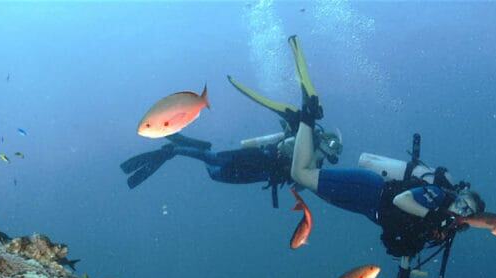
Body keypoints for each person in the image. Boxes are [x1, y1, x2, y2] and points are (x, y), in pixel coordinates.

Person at [286, 35, 485, 278]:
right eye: (464, 204)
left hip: (366, 206)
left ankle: (305, 128)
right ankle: (308, 113)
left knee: (308, 179)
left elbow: (411, 242)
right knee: (301, 174)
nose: (461, 211)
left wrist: (401, 276)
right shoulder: (439, 197)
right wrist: (431, 217)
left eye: (467, 213)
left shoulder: (442, 226)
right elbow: (404, 200)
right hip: (370, 190)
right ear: (460, 197)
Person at [120, 76, 342, 209]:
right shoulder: (310, 153)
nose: (329, 153)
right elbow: (299, 181)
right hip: (260, 166)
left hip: (259, 158)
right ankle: (178, 149)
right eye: (331, 147)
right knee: (215, 169)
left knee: (215, 160)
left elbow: (290, 158)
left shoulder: (306, 141)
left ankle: (184, 148)